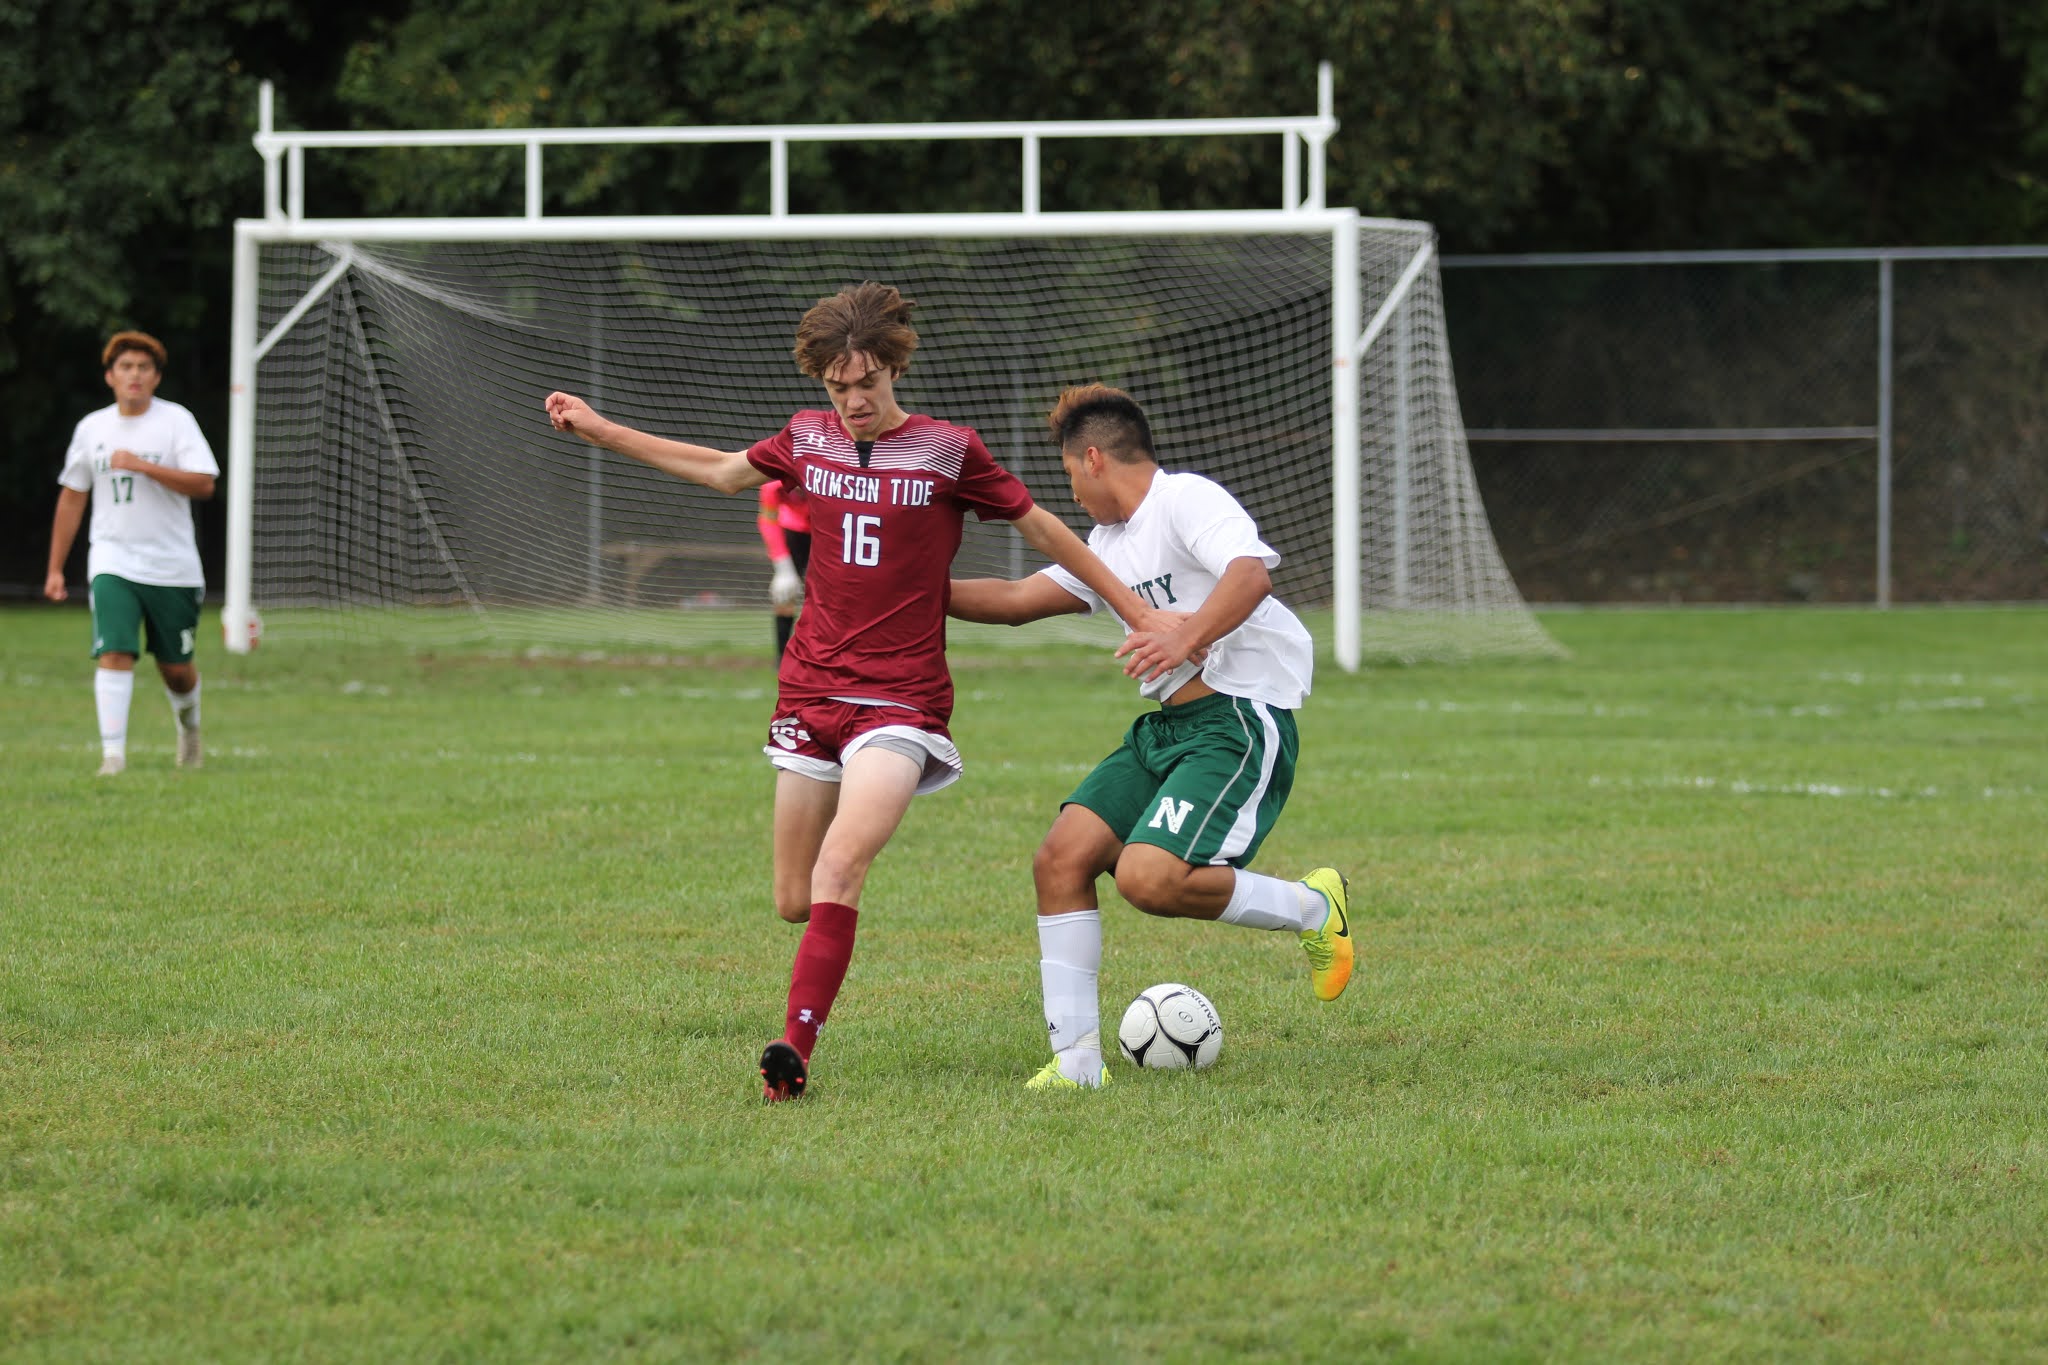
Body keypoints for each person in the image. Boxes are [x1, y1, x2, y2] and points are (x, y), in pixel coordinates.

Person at [543, 284, 1170, 1103]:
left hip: (900, 702)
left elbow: (1045, 529)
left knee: (842, 863)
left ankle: (792, 1055)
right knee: (793, 898)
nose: (854, 401)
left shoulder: (948, 450)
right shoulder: (806, 438)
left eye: (866, 383)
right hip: (809, 691)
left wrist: (1137, 610)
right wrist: (600, 429)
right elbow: (724, 472)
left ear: (894, 368)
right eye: (838, 387)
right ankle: (818, 963)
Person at [948, 383, 1351, 1091]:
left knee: (1147, 878)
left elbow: (1250, 575)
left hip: (1235, 721)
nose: (1073, 494)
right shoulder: (1106, 546)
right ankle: (1077, 1065)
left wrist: (1182, 639)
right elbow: (1014, 602)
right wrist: (903, 587)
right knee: (1060, 860)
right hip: (1166, 729)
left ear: (1094, 458)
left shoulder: (1183, 499)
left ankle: (1313, 907)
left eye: (1070, 473)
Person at [45, 331, 219, 776]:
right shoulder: (92, 428)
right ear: (110, 376)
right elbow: (72, 497)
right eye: (126, 367)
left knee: (176, 668)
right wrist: (55, 568)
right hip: (112, 559)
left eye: (144, 367)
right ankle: (113, 757)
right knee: (115, 652)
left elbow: (204, 483)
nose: (134, 375)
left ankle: (189, 729)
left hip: (172, 565)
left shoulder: (176, 421)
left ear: (157, 377)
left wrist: (144, 466)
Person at [757, 477, 811, 660]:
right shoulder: (773, 486)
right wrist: (782, 566)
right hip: (793, 530)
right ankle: (782, 658)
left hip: (827, 530)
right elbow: (768, 521)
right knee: (785, 595)